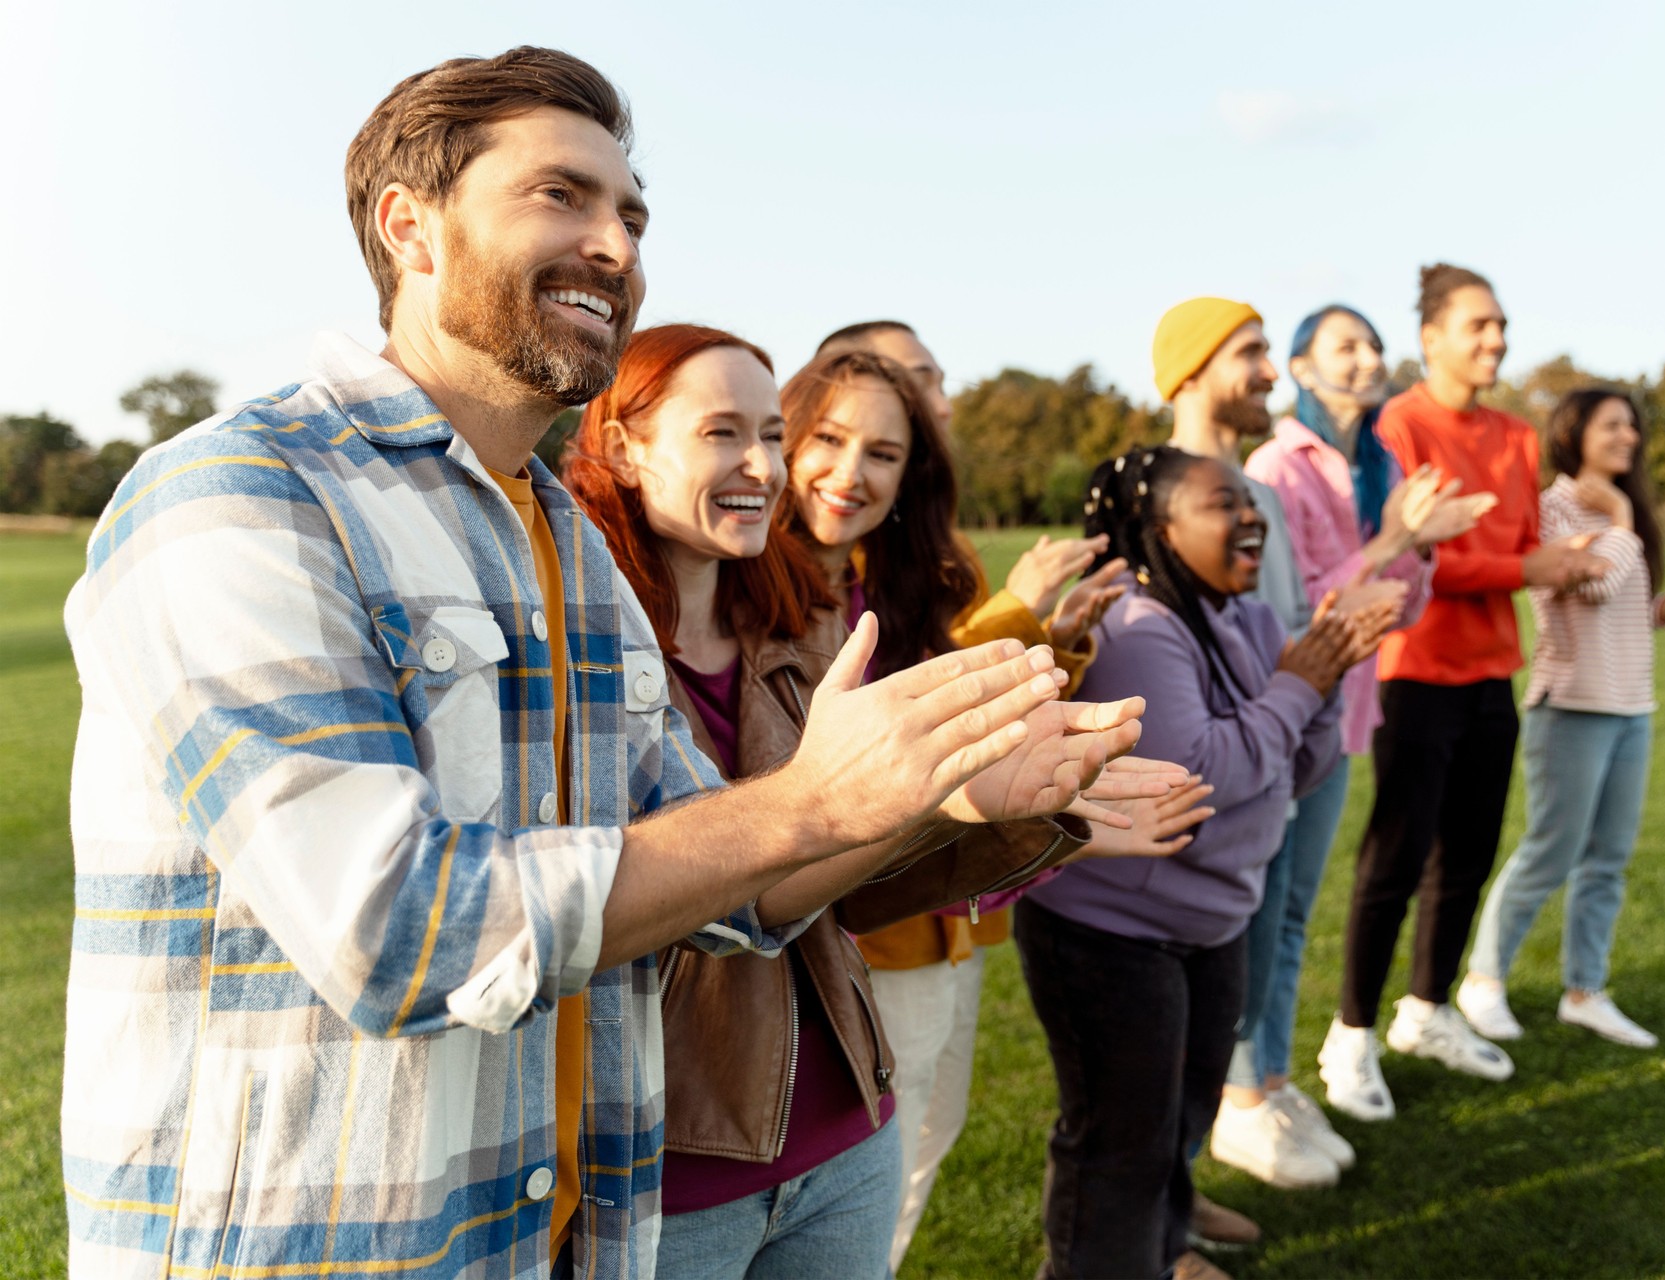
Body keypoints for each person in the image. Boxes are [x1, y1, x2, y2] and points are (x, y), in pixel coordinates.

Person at [61, 49, 1157, 1278]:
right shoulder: (242, 493)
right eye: (561, 196)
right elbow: (396, 928)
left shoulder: (566, 547)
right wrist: (811, 798)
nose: (618, 246)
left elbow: (727, 878)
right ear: (407, 227)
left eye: (631, 214)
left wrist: (928, 796)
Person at [563, 323, 1163, 1278]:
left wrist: (962, 803)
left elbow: (816, 893)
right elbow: (636, 907)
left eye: (770, 434)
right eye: (725, 432)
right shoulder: (570, 652)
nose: (764, 464)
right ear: (625, 447)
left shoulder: (806, 624)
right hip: (668, 1161)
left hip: (846, 1132)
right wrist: (929, 793)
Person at [1017, 444, 1393, 1280]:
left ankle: (1164, 1250)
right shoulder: (1138, 627)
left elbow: (1294, 770)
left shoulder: (1249, 618)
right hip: (1111, 934)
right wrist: (1299, 688)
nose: (1253, 515)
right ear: (1159, 530)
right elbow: (1200, 779)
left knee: (1182, 1118)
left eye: (1252, 502)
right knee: (1120, 1136)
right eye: (1226, 503)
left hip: (1211, 922)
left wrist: (1321, 687)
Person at [810, 321, 1130, 1270]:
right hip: (882, 914)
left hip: (951, 904)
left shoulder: (914, 557)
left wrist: (1052, 644)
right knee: (880, 1151)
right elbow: (909, 708)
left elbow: (967, 691)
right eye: (914, 383)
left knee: (923, 1138)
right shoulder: (815, 568)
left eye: (927, 391)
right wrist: (1022, 610)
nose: (935, 401)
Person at [1318, 264, 1612, 1123]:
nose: (1495, 340)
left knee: (1469, 857)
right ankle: (1350, 1037)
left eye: (1501, 325)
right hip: (1414, 673)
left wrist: (1576, 556)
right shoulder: (1397, 425)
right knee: (1395, 860)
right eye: (1477, 325)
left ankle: (1428, 1011)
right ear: (1431, 339)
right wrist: (1525, 567)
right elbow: (1418, 557)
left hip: (1493, 674)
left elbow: (1522, 544)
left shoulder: (1519, 436)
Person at [1215, 305, 1491, 1187]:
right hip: (1282, 712)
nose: (1369, 359)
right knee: (1257, 915)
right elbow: (1301, 615)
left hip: (1345, 717)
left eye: (1374, 346)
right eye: (1347, 345)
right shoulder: (1274, 466)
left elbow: (1396, 609)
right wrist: (1396, 540)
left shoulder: (1379, 461)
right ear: (1301, 365)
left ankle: (1276, 1078)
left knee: (1294, 912)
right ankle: (1239, 1099)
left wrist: (1420, 552)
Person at [1460, 388, 1665, 1049]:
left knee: (1607, 862)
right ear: (1575, 434)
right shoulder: (1553, 508)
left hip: (1632, 709)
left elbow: (1633, 610)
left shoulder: (1618, 523)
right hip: (1570, 706)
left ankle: (1585, 992)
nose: (1629, 436)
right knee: (1551, 851)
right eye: (1613, 424)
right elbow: (1591, 585)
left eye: (1633, 425)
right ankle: (1482, 984)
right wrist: (1623, 518)